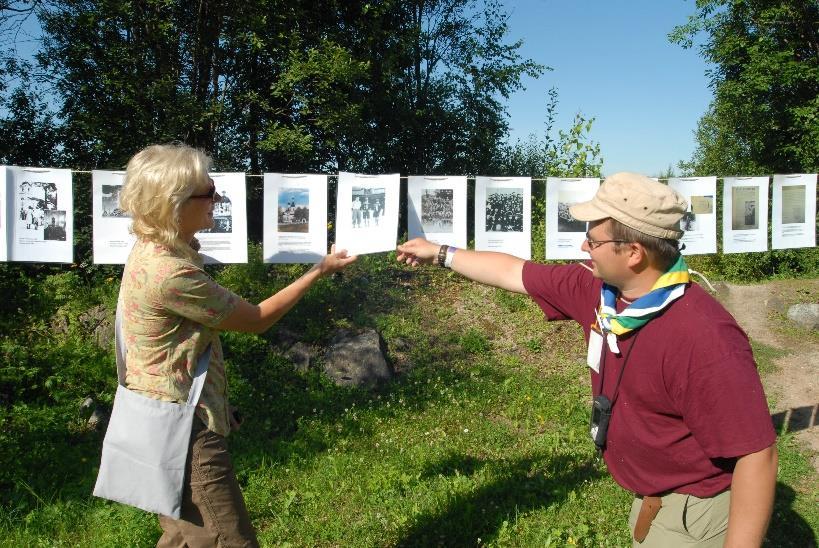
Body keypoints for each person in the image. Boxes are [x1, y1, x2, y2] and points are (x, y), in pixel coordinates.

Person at [396, 172, 777, 547]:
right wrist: (440, 253)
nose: (583, 248)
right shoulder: (598, 291)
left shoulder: (705, 338)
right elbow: (515, 272)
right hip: (653, 500)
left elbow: (757, 456)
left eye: (593, 241)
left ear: (633, 253)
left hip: (694, 511)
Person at [117, 143, 357, 547]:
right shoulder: (170, 272)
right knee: (228, 538)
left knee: (182, 534)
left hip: (160, 416)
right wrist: (320, 269)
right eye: (208, 192)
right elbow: (257, 319)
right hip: (184, 429)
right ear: (174, 204)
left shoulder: (152, 251)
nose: (218, 197)